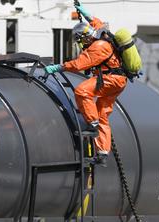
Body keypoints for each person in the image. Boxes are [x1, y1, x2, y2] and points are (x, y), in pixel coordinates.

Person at [45, 2, 127, 166]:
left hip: (110, 79)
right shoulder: (101, 34)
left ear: (84, 37)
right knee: (103, 115)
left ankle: (92, 124)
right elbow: (95, 21)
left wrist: (58, 67)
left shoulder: (98, 46)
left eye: (80, 40)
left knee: (82, 91)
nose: (80, 44)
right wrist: (83, 11)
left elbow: (79, 65)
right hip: (118, 81)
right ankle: (103, 153)